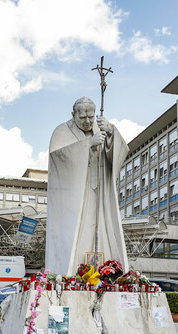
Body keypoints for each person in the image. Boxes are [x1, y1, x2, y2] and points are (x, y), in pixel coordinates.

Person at [46, 97, 130, 275]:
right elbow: (57, 159)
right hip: (76, 195)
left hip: (99, 192)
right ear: (73, 114)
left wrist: (112, 134)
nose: (87, 121)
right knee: (77, 233)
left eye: (90, 117)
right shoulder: (61, 131)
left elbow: (119, 154)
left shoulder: (101, 128)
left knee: (99, 228)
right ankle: (70, 273)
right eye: (82, 117)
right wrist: (87, 145)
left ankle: (103, 271)